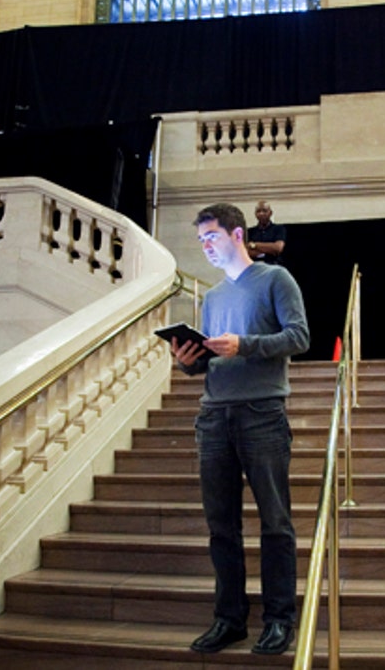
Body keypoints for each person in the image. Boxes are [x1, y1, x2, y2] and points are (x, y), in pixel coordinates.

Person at [171, 202, 309, 656]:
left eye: (211, 237)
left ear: (237, 234)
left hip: (262, 413)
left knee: (275, 522)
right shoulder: (211, 298)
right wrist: (189, 364)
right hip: (214, 417)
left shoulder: (275, 279)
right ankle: (229, 619)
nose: (205, 247)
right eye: (201, 241)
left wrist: (244, 344)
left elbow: (299, 337)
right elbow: (214, 361)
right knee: (221, 527)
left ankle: (279, 620)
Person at [245, 200, 286, 265]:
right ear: (255, 214)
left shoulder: (278, 229)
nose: (261, 213)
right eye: (258, 211)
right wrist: (269, 250)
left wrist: (254, 245)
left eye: (264, 211)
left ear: (270, 213)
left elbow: (278, 248)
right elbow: (247, 251)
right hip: (255, 267)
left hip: (273, 266)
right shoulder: (250, 231)